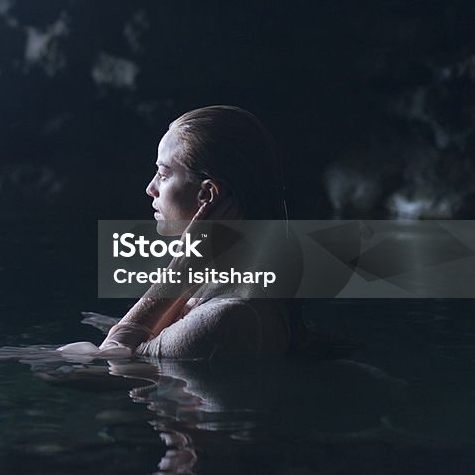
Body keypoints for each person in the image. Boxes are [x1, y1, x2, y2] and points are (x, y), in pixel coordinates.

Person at [59, 105, 300, 359]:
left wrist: (179, 269)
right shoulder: (233, 287)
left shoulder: (226, 318)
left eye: (163, 174)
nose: (150, 188)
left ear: (206, 194)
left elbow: (114, 359)